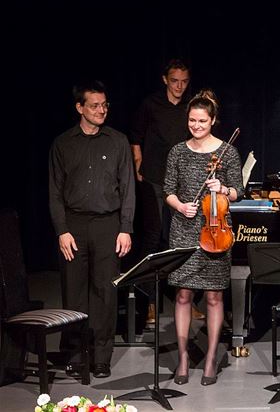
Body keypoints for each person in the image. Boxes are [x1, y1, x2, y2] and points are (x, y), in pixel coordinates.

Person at [48, 80, 135, 379]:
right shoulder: (63, 144)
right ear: (80, 108)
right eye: (95, 106)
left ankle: (100, 357)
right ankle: (74, 353)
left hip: (108, 224)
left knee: (105, 293)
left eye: (104, 105)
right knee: (74, 291)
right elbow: (55, 191)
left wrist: (125, 228)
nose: (101, 110)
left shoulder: (118, 141)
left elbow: (128, 189)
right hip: (73, 225)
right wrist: (62, 230)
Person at [163, 89, 244, 386]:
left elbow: (238, 191)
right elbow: (168, 190)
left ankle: (211, 357)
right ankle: (183, 357)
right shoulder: (177, 152)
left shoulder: (227, 152)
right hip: (184, 230)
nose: (196, 126)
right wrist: (181, 205)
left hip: (216, 230)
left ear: (213, 121)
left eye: (202, 121)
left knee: (214, 296)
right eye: (192, 121)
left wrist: (222, 189)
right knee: (183, 295)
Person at [129, 58, 205, 323]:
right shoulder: (151, 104)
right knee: (153, 239)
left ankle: (187, 300)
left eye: (184, 82)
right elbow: (135, 136)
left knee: (185, 241)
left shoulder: (191, 106)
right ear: (165, 80)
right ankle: (149, 303)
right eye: (174, 81)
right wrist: (138, 163)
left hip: (183, 181)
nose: (179, 86)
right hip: (155, 179)